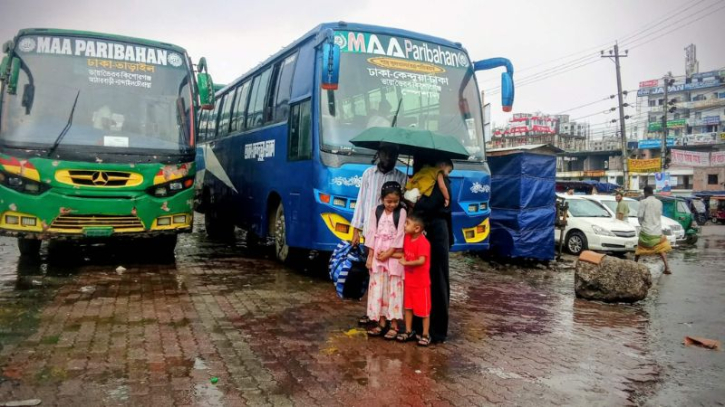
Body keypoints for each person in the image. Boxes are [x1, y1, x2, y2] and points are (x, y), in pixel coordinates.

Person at [350, 144, 407, 326]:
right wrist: (356, 230)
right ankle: (372, 313)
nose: (389, 157)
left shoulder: (402, 177)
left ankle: (390, 316)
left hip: (392, 238)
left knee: (391, 278)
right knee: (374, 275)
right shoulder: (368, 174)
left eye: (393, 154)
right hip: (372, 234)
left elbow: (405, 205)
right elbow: (361, 201)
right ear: (379, 154)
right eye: (386, 153)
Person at [411, 170, 453, 343]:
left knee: (436, 279)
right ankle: (418, 326)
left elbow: (435, 205)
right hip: (423, 230)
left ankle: (435, 331)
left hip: (436, 232)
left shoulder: (440, 179)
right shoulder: (423, 175)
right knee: (419, 279)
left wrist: (416, 203)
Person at [364, 181, 406, 340]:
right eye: (389, 201)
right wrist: (370, 256)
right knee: (378, 288)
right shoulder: (376, 211)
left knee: (393, 288)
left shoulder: (401, 212)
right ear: (382, 199)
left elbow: (400, 235)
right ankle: (381, 322)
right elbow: (371, 233)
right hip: (377, 254)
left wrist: (388, 253)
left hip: (393, 256)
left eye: (395, 201)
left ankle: (394, 324)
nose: (392, 205)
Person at [396, 213, 432, 347]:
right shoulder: (407, 238)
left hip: (421, 283)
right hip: (409, 281)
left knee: (424, 311)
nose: (404, 226)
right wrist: (388, 254)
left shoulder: (423, 242)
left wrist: (406, 263)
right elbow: (404, 254)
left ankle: (425, 334)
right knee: (408, 307)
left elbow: (421, 260)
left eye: (407, 223)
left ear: (417, 228)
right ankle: (408, 330)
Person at [635, 186, 672, 274]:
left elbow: (640, 217)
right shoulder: (659, 202)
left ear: (646, 192)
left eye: (644, 193)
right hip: (657, 233)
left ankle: (634, 265)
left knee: (639, 247)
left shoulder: (643, 202)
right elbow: (659, 215)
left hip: (646, 232)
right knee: (661, 248)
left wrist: (643, 225)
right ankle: (667, 267)